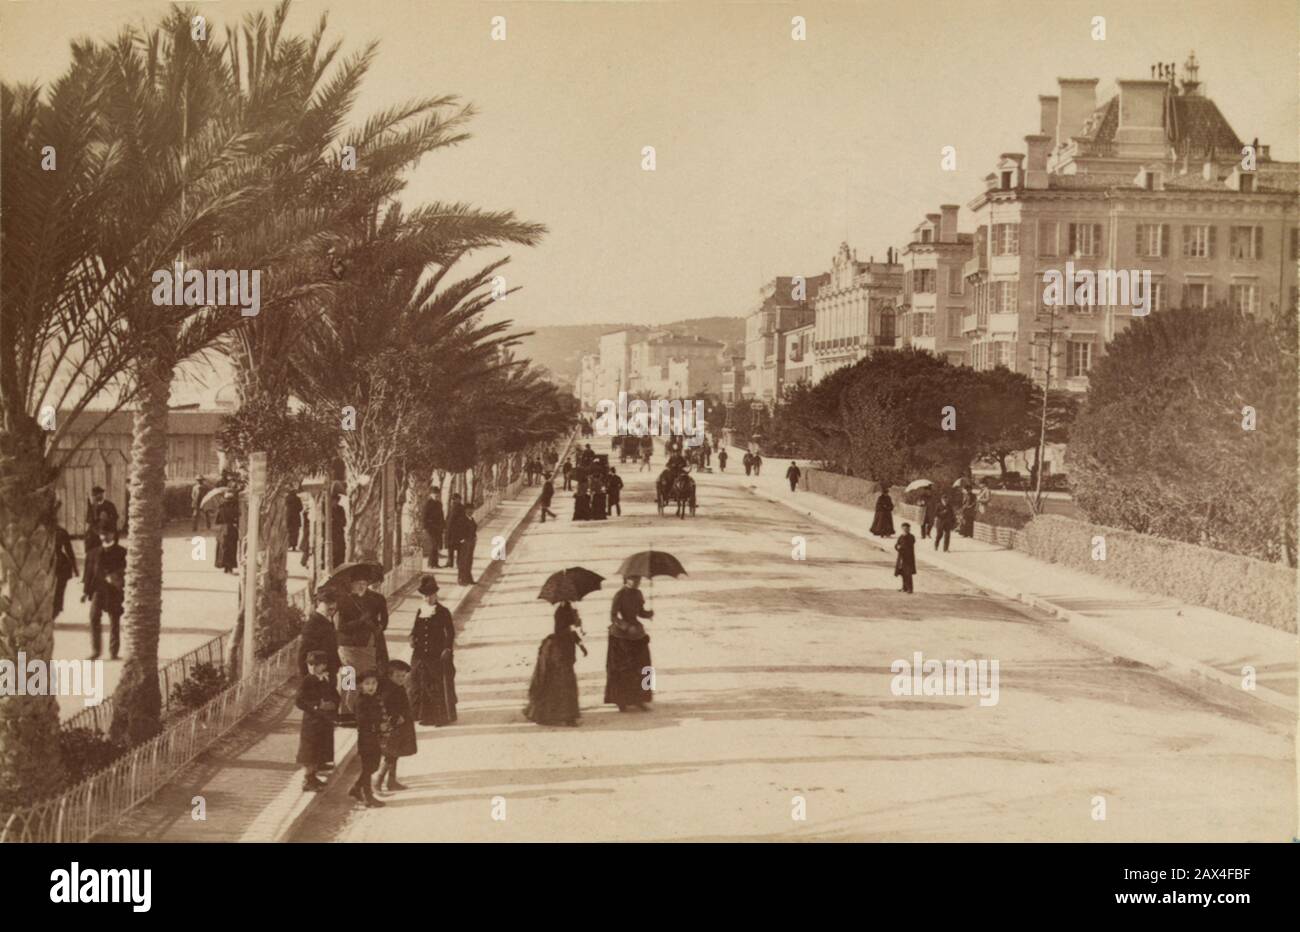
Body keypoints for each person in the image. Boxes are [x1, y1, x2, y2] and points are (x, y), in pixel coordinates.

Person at [524, 601, 585, 726]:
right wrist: (573, 626)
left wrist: (580, 641)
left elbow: (573, 632)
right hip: (560, 650)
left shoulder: (570, 610)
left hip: (567, 649)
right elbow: (559, 631)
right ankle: (567, 716)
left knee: (566, 681)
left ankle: (565, 715)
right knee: (564, 682)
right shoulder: (560, 612)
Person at [408, 575, 457, 726]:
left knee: (436, 684)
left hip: (437, 654)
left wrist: (447, 649)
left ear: (436, 595)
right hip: (421, 653)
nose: (428, 599)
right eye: (425, 596)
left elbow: (450, 632)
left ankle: (441, 717)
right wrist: (411, 637)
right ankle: (426, 715)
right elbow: (415, 629)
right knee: (421, 683)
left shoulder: (443, 611)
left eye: (431, 595)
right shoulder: (420, 611)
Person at [605, 576, 654, 712]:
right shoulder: (619, 595)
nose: (637, 582)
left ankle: (641, 698)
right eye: (634, 579)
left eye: (638, 579)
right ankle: (621, 700)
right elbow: (613, 616)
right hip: (620, 635)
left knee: (644, 665)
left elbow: (640, 612)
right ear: (626, 580)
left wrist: (648, 613)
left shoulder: (638, 593)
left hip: (637, 633)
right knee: (623, 667)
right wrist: (626, 627)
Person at [336, 578, 379, 724]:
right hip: (349, 647)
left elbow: (375, 621)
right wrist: (361, 621)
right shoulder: (343, 602)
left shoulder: (370, 601)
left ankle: (360, 712)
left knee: (364, 679)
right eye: (358, 583)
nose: (362, 587)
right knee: (348, 679)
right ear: (351, 584)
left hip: (366, 645)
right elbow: (341, 627)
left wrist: (373, 625)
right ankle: (346, 714)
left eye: (365, 584)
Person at [296, 650, 339, 792]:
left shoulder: (325, 679)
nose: (313, 667)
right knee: (310, 751)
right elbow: (299, 701)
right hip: (311, 722)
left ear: (324, 666)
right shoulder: (307, 680)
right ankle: (307, 779)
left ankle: (313, 776)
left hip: (324, 720)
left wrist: (334, 704)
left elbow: (334, 694)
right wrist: (317, 705)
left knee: (320, 748)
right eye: (310, 664)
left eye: (317, 665)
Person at [82, 522, 125, 660]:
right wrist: (85, 591)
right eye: (102, 534)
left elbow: (127, 571)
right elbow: (88, 573)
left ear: (113, 534)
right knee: (93, 617)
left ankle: (114, 651)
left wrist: (117, 578)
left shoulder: (122, 552)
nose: (104, 536)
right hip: (98, 590)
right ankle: (96, 650)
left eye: (107, 533)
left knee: (114, 619)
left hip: (114, 590)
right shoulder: (93, 553)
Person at [376, 660, 416, 792]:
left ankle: (391, 781)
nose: (401, 679)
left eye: (403, 676)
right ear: (390, 676)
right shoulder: (389, 690)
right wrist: (394, 718)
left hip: (400, 726)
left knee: (395, 753)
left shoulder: (396, 687)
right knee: (391, 754)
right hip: (393, 727)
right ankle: (378, 782)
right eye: (398, 676)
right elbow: (385, 707)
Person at [349, 671, 385, 808]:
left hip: (374, 737)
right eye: (367, 684)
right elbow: (362, 721)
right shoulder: (361, 701)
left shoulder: (374, 698)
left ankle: (356, 788)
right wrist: (378, 725)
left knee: (373, 766)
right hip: (366, 738)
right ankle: (368, 797)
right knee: (368, 767)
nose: (371, 686)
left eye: (374, 683)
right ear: (361, 686)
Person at [298, 589, 341, 678]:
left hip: (329, 672)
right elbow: (303, 654)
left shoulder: (328, 620)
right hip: (319, 674)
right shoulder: (313, 624)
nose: (332, 605)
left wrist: (338, 666)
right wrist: (307, 678)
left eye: (334, 602)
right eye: (327, 602)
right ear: (318, 603)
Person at [361, 575, 390, 673]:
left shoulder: (379, 598)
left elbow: (384, 619)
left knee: (378, 666)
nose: (361, 586)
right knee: (350, 674)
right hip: (351, 644)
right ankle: (349, 687)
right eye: (358, 583)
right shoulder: (348, 600)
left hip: (374, 634)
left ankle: (378, 686)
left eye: (363, 583)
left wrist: (379, 629)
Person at [53, 509, 77, 620]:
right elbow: (69, 551)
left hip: (58, 564)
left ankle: (55, 611)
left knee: (58, 590)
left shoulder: (59, 532)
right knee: (59, 590)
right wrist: (75, 569)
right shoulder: (61, 531)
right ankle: (56, 610)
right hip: (60, 563)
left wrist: (76, 569)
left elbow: (69, 550)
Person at [214, 490, 240, 574]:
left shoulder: (220, 508)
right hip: (232, 528)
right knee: (232, 548)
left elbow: (217, 521)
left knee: (223, 548)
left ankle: (224, 566)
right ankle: (230, 567)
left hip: (223, 529)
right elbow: (238, 520)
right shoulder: (235, 509)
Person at [457, 504, 478, 586]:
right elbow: (458, 530)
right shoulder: (462, 519)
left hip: (471, 542)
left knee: (469, 561)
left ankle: (468, 578)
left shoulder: (471, 519)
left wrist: (475, 537)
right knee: (463, 561)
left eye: (472, 510)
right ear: (465, 510)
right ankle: (461, 579)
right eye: (469, 510)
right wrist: (462, 539)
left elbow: (473, 529)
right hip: (464, 543)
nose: (471, 512)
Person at [894, 522, 917, 593]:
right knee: (902, 573)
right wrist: (897, 547)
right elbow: (897, 544)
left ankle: (910, 589)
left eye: (907, 528)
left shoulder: (911, 537)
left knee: (908, 573)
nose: (905, 530)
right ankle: (904, 587)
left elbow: (907, 545)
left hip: (908, 558)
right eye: (904, 528)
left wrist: (900, 547)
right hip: (901, 557)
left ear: (909, 529)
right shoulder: (901, 536)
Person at [445, 493, 466, 568]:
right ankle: (451, 562)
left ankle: (456, 562)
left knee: (458, 548)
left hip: (456, 531)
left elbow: (461, 520)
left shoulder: (461, 508)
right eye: (453, 499)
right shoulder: (453, 507)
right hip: (452, 531)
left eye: (455, 499)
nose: (453, 500)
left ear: (459, 499)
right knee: (452, 547)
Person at [329, 493, 346, 570]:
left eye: (336, 500)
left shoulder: (341, 509)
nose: (335, 502)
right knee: (332, 554)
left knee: (340, 553)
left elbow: (344, 522)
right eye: (333, 500)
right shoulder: (327, 510)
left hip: (339, 534)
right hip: (331, 535)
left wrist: (335, 519)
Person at [285, 488, 303, 552]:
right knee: (295, 532)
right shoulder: (298, 499)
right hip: (296, 518)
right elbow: (301, 508)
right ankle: (294, 546)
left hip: (288, 517)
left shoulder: (286, 498)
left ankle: (288, 545)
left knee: (289, 531)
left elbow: (285, 506)